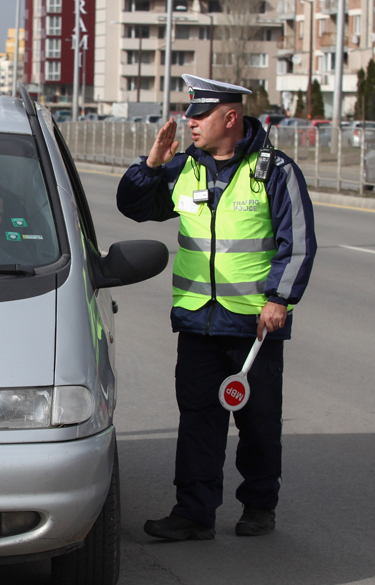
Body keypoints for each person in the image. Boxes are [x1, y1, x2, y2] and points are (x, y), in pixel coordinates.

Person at [116, 74, 317, 541]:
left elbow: (298, 243)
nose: (191, 123)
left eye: (200, 115)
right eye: (190, 115)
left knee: (259, 422)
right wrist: (151, 162)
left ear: (230, 117)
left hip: (254, 324)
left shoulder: (275, 170)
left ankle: (259, 507)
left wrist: (279, 299)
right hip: (198, 321)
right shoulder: (185, 166)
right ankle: (194, 512)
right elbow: (134, 205)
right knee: (198, 420)